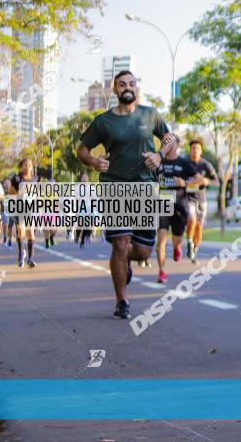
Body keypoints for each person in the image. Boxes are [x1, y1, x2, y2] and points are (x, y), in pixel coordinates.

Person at [76, 70, 175, 319]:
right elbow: (81, 149)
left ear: (136, 88)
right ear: (115, 89)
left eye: (131, 84)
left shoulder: (150, 114)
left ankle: (123, 264)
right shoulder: (103, 121)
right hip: (115, 188)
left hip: (145, 189)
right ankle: (122, 301)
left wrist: (159, 155)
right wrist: (93, 162)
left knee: (142, 251)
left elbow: (169, 138)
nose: (127, 88)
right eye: (122, 85)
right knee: (120, 244)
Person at [155, 134, 203, 283]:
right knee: (161, 241)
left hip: (179, 206)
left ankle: (177, 248)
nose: (166, 146)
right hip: (163, 203)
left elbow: (199, 179)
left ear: (176, 146)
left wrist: (185, 183)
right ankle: (162, 271)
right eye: (164, 143)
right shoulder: (158, 162)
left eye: (169, 143)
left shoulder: (183, 163)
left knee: (177, 240)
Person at [184, 139, 217, 263]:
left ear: (201, 150)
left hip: (202, 200)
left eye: (198, 148)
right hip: (188, 198)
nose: (195, 150)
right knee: (191, 220)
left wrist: (207, 181)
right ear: (190, 150)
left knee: (199, 227)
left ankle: (194, 251)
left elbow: (217, 181)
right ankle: (189, 243)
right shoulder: (185, 164)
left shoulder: (206, 165)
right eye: (193, 148)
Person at [9, 159, 37, 268]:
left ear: (32, 167)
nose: (28, 167)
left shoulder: (35, 179)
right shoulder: (16, 179)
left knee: (30, 233)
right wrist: (20, 192)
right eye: (25, 165)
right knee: (20, 232)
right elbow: (11, 192)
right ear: (21, 166)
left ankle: (31, 259)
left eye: (30, 165)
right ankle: (21, 256)